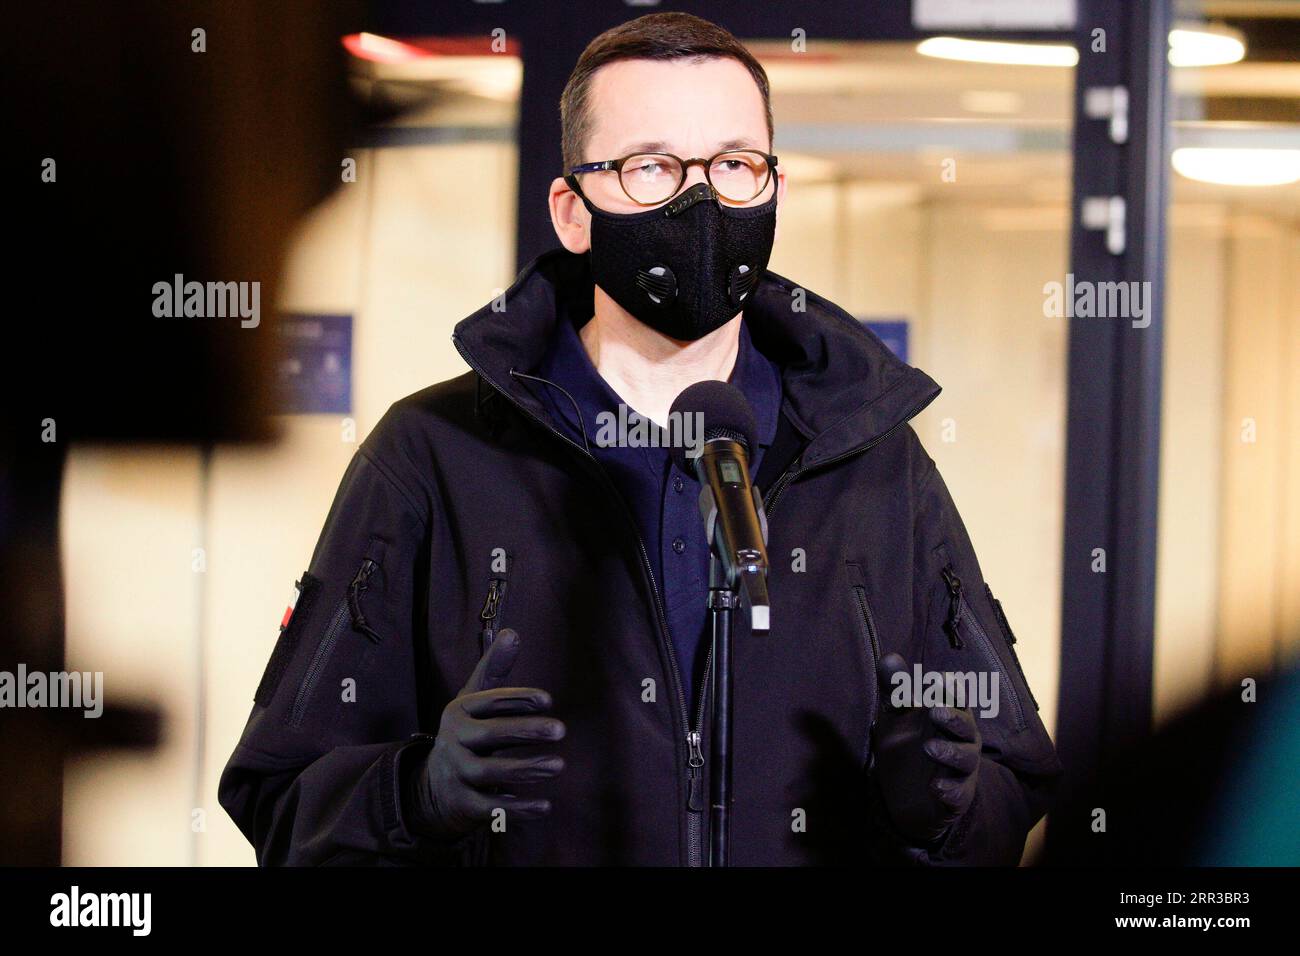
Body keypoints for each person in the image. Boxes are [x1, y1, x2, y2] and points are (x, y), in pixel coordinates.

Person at [219, 12, 1062, 866]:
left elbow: (1015, 782)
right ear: (573, 212)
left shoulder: (873, 458)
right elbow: (280, 798)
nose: (701, 202)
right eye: (650, 167)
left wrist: (940, 815)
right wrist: (418, 794)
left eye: (735, 166)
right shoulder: (433, 456)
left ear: (773, 190)